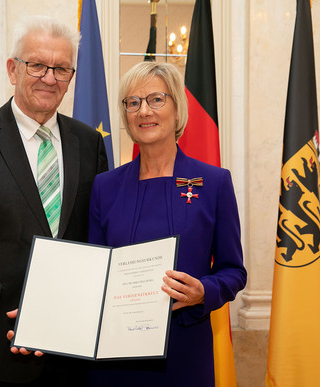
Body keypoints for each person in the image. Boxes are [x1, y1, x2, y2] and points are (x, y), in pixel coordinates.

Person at [0, 15, 108, 387]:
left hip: (71, 352)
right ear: (13, 69)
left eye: (61, 68)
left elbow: (96, 242)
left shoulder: (89, 143)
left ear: (71, 77)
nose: (49, 77)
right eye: (38, 65)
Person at [87, 61, 247, 386]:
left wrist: (204, 290)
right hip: (113, 358)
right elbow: (93, 272)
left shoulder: (214, 183)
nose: (143, 110)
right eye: (133, 102)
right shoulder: (104, 186)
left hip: (185, 354)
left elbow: (234, 271)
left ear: (177, 109)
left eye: (156, 99)